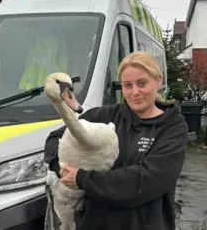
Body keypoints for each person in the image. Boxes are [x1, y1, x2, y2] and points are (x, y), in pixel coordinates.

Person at [43, 51, 188, 230]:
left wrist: (83, 178)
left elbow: (146, 180)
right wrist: (61, 168)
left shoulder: (171, 127)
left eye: (142, 83)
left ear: (158, 81)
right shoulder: (105, 115)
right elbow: (55, 138)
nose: (135, 92)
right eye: (128, 85)